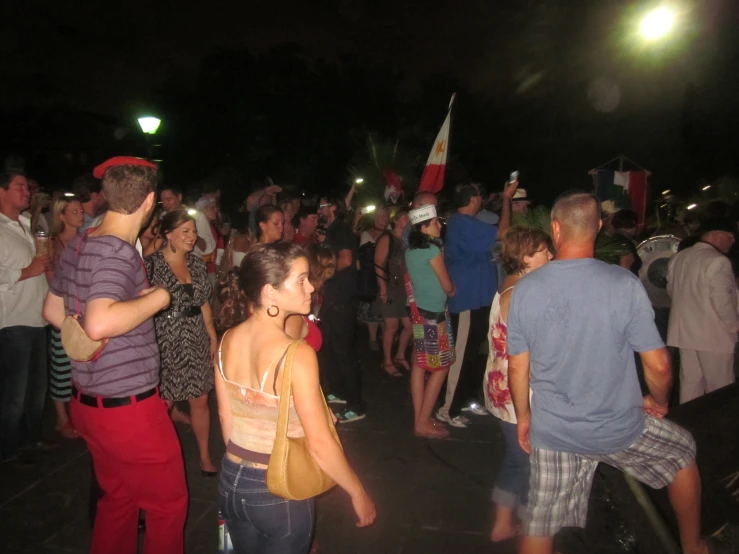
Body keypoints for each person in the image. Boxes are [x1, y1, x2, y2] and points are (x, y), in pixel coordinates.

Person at [506, 191, 712, 554]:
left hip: (555, 430)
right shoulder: (623, 283)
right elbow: (659, 364)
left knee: (540, 521)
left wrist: (524, 417)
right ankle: (693, 546)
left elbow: (518, 366)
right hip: (617, 425)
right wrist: (658, 401)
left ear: (555, 228)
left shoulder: (525, 290)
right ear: (598, 227)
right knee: (681, 454)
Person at [43, 157, 187, 554]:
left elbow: (53, 312)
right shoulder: (117, 252)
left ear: (105, 196)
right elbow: (99, 323)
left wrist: (118, 316)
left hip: (89, 404)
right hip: (129, 411)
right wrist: (159, 297)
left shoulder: (81, 243)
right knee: (168, 505)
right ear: (150, 201)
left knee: (119, 500)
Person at [216, 242, 376, 553]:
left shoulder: (227, 340)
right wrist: (357, 492)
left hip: (230, 481)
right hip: (277, 490)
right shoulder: (296, 354)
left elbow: (226, 416)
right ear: (270, 292)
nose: (312, 287)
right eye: (301, 280)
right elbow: (319, 442)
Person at [483, 226, 552, 542]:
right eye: (543, 251)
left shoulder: (508, 287)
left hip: (502, 388)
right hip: (519, 393)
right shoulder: (523, 295)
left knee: (516, 459)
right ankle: (531, 533)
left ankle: (502, 524)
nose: (550, 256)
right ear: (525, 256)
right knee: (532, 466)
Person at [145, 209, 219, 475]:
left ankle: (204, 456)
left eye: (193, 230)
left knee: (200, 398)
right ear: (168, 234)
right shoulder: (151, 265)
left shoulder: (197, 264)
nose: (192, 236)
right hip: (165, 336)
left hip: (196, 334)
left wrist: (213, 338)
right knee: (164, 402)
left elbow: (204, 304)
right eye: (185, 231)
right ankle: (157, 461)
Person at [439, 181, 517, 428]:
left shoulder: (466, 225)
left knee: (473, 353)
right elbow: (503, 232)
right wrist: (506, 198)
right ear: (473, 199)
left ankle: (465, 400)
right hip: (467, 300)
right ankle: (447, 409)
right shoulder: (462, 223)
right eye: (479, 197)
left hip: (478, 298)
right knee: (461, 356)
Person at [0, 170, 52, 461]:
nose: (26, 191)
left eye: (26, 187)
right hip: (13, 322)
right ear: (1, 191)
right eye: (19, 186)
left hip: (37, 317)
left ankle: (31, 439)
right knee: (14, 394)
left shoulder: (26, 224)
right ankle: (9, 450)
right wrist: (26, 272)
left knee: (36, 389)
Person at [667, 217, 739, 404]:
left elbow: (671, 290)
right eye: (730, 238)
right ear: (717, 236)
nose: (732, 243)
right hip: (713, 335)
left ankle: (689, 425)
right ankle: (719, 430)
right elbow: (722, 301)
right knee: (720, 388)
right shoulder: (718, 261)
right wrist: (735, 326)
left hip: (685, 333)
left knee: (690, 385)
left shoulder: (679, 257)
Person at [405, 205, 456, 439]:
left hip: (418, 313)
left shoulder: (411, 250)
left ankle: (420, 418)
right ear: (424, 227)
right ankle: (422, 422)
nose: (440, 225)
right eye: (435, 222)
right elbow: (447, 286)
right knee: (441, 366)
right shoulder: (432, 251)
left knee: (419, 364)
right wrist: (453, 290)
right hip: (434, 317)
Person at [317, 197, 364, 422]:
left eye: (322, 206)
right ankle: (340, 392)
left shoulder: (339, 229)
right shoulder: (332, 230)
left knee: (343, 352)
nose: (319, 210)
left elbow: (345, 260)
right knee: (332, 349)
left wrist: (321, 276)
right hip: (335, 297)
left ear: (333, 208)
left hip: (341, 298)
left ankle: (357, 405)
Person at [47, 196, 85, 439]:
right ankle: (61, 419)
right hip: (61, 308)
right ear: (61, 216)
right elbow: (51, 279)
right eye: (74, 211)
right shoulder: (53, 243)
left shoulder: (86, 239)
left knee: (79, 366)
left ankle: (77, 415)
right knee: (61, 365)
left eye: (80, 209)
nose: (80, 213)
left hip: (83, 309)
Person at [375, 208, 412, 377]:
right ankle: (387, 361)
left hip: (404, 288)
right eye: (405, 217)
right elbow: (378, 264)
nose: (409, 220)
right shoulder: (387, 237)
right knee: (391, 326)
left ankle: (400, 355)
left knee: (410, 326)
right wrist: (382, 288)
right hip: (389, 287)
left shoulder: (407, 240)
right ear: (396, 220)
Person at [357, 207, 390, 351]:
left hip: (388, 274)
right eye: (380, 216)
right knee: (372, 308)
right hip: (371, 275)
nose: (383, 218)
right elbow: (365, 256)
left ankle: (386, 335)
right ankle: (372, 338)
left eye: (385, 216)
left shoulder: (390, 233)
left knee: (386, 308)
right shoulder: (367, 233)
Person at [160, 185, 216, 258]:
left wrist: (191, 234)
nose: (165, 204)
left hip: (191, 263)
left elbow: (209, 248)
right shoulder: (162, 217)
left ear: (179, 197)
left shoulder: (197, 217)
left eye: (168, 200)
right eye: (162, 201)